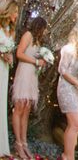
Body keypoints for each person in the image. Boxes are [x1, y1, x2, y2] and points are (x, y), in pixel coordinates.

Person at [12, 17, 48, 158]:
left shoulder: (38, 41)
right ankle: (18, 143)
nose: (45, 32)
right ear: (39, 26)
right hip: (24, 73)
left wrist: (42, 63)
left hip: (32, 76)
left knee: (26, 109)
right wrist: (36, 61)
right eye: (44, 28)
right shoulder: (28, 35)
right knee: (19, 107)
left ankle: (24, 142)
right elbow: (19, 53)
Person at [57, 26, 78, 160]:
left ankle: (68, 156)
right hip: (66, 88)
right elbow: (62, 71)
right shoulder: (68, 49)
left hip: (75, 89)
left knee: (75, 125)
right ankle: (67, 156)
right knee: (75, 124)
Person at [0, 0, 18, 158]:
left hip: (4, 69)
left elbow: (9, 49)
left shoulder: (10, 31)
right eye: (15, 11)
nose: (16, 15)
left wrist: (9, 56)